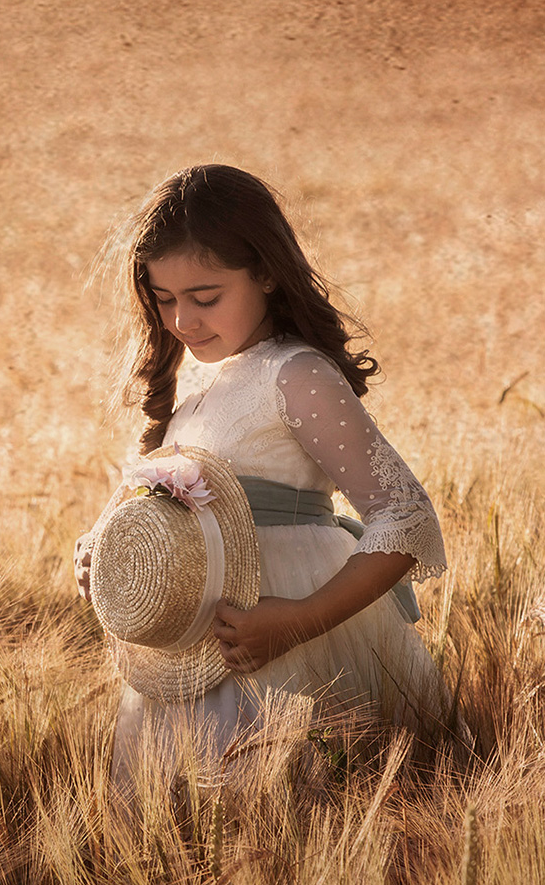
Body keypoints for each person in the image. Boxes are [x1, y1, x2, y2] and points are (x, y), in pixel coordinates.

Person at [74, 164, 459, 786]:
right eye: (164, 299)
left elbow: (405, 516)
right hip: (194, 649)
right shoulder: (195, 379)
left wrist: (299, 620)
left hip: (287, 639)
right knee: (188, 816)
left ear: (267, 273)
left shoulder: (295, 374)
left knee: (292, 800)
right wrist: (105, 546)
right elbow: (156, 499)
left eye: (206, 298)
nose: (182, 321)